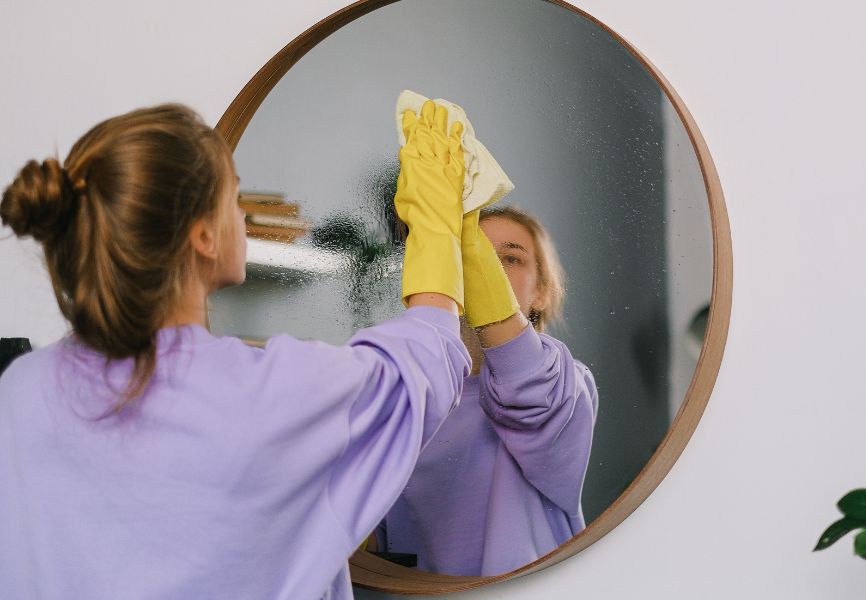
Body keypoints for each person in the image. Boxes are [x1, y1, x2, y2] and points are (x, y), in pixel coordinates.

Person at [0, 101, 470, 600]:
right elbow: (421, 368)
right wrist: (438, 227)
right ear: (203, 234)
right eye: (234, 197)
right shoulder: (273, 394)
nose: (243, 214)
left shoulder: (20, 391)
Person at [374, 204, 599, 577]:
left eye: (510, 258)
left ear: (541, 293)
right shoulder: (410, 392)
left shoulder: (566, 382)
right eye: (471, 254)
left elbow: (526, 390)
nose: (489, 270)